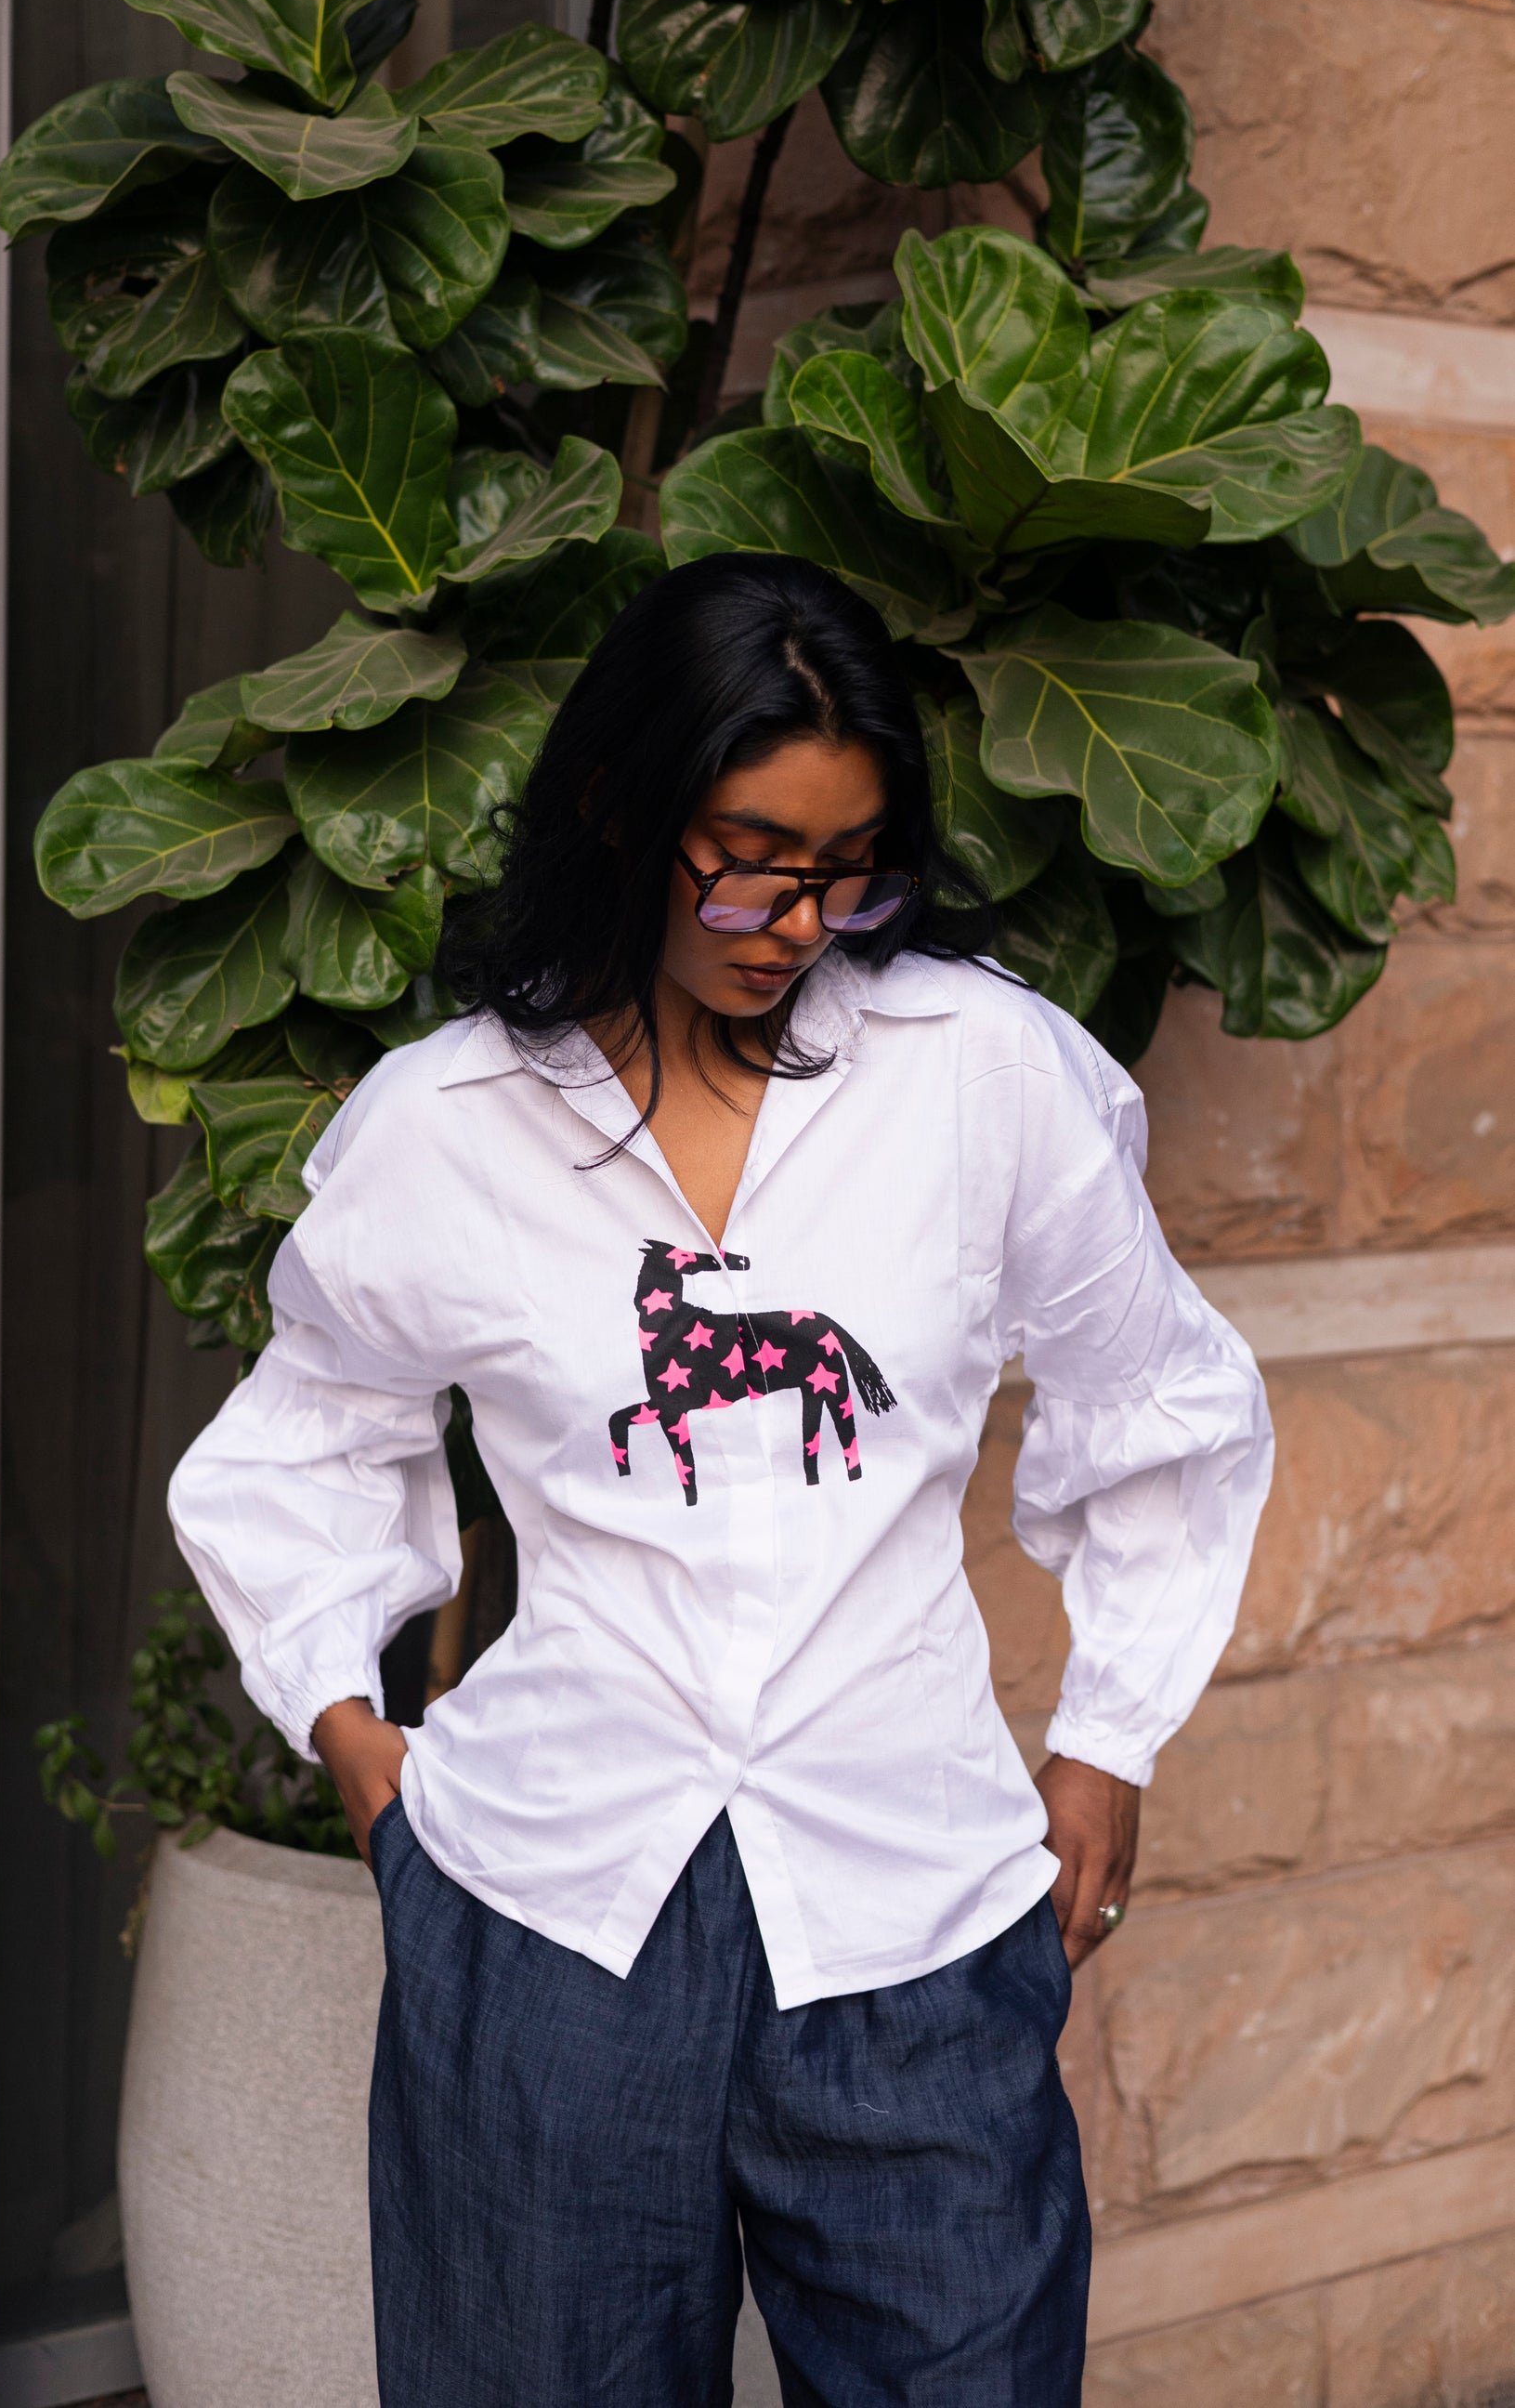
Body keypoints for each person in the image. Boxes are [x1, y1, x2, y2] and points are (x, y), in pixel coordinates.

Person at [169, 553, 1273, 2408]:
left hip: (913, 1916)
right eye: (751, 859)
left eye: (850, 869)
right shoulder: (448, 1125)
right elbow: (303, 1440)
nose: (798, 921)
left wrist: (1107, 1735)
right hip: (545, 1921)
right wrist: (356, 1743)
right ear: (622, 806)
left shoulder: (981, 1074)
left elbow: (1160, 1395)